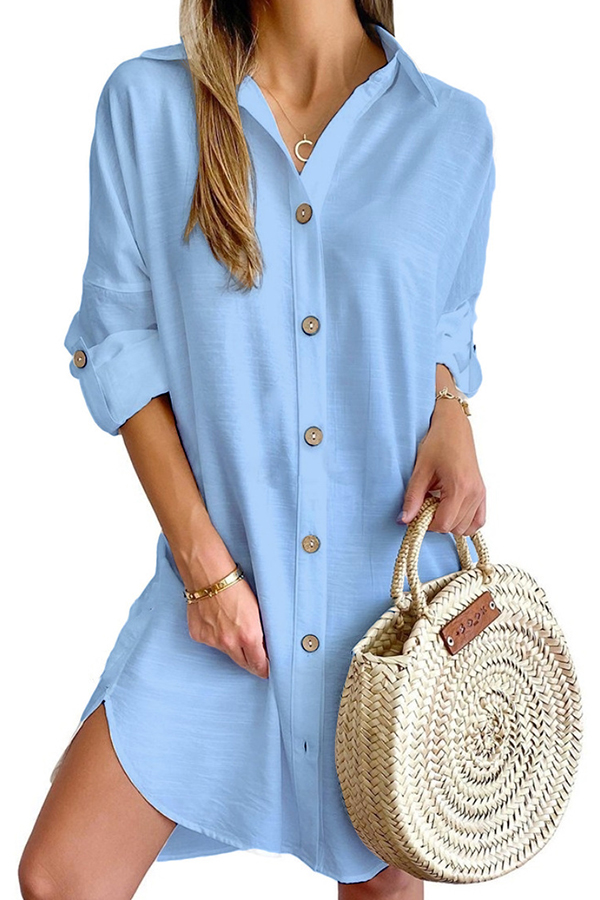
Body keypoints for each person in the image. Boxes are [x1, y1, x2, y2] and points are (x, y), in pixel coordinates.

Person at [18, 1, 495, 898]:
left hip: (387, 618)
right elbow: (119, 347)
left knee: (383, 889)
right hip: (225, 598)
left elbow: (442, 324)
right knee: (63, 875)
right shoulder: (149, 104)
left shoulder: (452, 130)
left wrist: (450, 410)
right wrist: (205, 572)